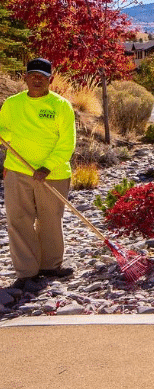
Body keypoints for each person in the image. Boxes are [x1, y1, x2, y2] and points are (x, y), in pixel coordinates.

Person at [0, 57, 76, 290]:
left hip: (52, 173)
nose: (37, 79)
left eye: (42, 76)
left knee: (50, 219)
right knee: (19, 219)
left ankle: (51, 265)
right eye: (32, 74)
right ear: (25, 77)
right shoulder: (12, 104)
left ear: (50, 80)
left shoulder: (61, 106)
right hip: (18, 170)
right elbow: (4, 132)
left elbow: (67, 142)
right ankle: (26, 272)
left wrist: (47, 166)